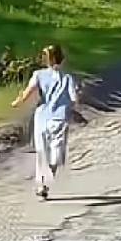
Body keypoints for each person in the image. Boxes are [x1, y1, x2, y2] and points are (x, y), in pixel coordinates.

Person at [12, 44, 80, 200]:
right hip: (59, 119)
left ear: (45, 59)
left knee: (42, 153)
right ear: (62, 58)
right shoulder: (68, 77)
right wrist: (74, 108)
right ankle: (45, 185)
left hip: (42, 117)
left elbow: (27, 93)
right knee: (55, 155)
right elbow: (75, 98)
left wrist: (17, 102)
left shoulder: (38, 75)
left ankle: (42, 184)